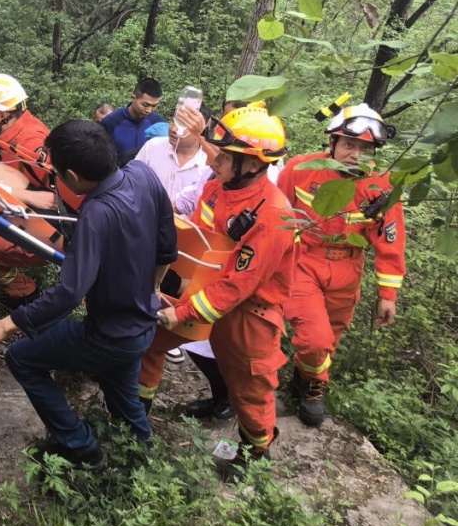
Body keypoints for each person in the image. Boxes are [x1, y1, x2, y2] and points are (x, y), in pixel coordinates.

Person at [0, 120, 177, 469]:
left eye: (55, 170)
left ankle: (82, 449)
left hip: (109, 333)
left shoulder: (95, 214)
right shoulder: (142, 174)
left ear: (71, 174)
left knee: (22, 358)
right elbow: (167, 243)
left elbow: (70, 292)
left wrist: (7, 325)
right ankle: (141, 470)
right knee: (126, 405)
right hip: (142, 324)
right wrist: (153, 287)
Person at [139, 105, 295, 474]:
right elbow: (198, 241)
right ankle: (134, 416)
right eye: (217, 152)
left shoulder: (274, 215)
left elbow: (239, 284)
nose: (214, 160)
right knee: (148, 344)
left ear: (253, 165)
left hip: (248, 314)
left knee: (250, 387)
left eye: (225, 156)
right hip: (199, 292)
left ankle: (255, 452)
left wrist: (182, 312)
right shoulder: (218, 185)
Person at [278, 103, 405, 427]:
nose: (355, 154)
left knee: (329, 338)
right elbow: (275, 213)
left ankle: (305, 377)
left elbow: (390, 242)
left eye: (365, 148)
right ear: (332, 143)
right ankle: (312, 386)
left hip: (348, 270)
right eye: (349, 144)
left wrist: (388, 293)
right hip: (304, 261)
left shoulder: (382, 186)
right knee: (315, 339)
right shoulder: (300, 169)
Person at [134, 103, 225, 403]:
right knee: (154, 340)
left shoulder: (261, 201)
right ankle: (137, 410)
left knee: (216, 346)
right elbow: (182, 203)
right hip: (181, 264)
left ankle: (225, 401)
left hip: (210, 278)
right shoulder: (209, 181)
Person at [0, 75, 57, 303]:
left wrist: (22, 195)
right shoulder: (15, 132)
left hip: (46, 232)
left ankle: (25, 295)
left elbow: (52, 199)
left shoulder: (30, 146)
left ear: (0, 115)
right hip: (33, 220)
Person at [101, 77, 165, 165]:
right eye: (145, 105)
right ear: (133, 98)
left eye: (154, 106)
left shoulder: (158, 123)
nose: (149, 110)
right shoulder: (111, 122)